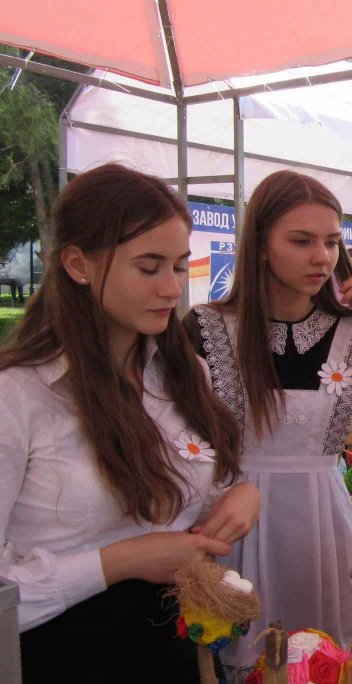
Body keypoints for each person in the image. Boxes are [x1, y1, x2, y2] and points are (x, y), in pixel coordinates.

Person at [0, 164, 259, 682]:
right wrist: (119, 561)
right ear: (79, 264)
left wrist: (241, 496)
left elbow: (207, 482)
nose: (170, 288)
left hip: (175, 649)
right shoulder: (19, 395)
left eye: (181, 266)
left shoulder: (184, 373)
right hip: (65, 653)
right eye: (148, 267)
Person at [184, 170, 352, 670]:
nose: (321, 256)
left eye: (331, 241)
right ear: (261, 245)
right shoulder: (206, 327)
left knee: (325, 659)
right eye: (301, 241)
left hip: (323, 527)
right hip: (232, 523)